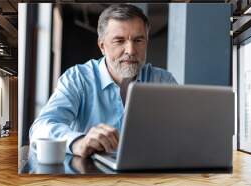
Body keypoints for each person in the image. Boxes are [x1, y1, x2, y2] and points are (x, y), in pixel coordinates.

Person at [29, 4, 177, 158]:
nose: (131, 50)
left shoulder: (163, 80)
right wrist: (79, 141)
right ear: (102, 46)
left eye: (138, 40)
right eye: (119, 41)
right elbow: (40, 129)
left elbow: (185, 131)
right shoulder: (78, 78)